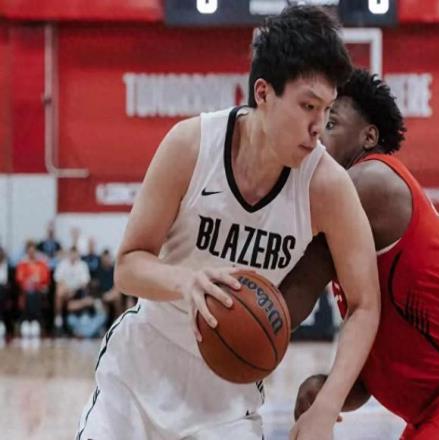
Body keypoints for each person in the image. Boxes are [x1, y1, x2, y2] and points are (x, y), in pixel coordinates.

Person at [77, 7, 381, 440]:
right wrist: (186, 281)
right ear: (263, 92)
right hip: (140, 371)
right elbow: (127, 266)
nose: (318, 127)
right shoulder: (191, 145)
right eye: (307, 106)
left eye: (327, 110)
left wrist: (327, 406)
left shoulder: (327, 186)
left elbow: (365, 304)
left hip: (228, 397)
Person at [285, 69, 439, 438]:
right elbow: (375, 373)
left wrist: (229, 327)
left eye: (331, 123)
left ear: (368, 136)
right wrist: (328, 387)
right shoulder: (355, 213)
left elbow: (297, 290)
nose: (318, 133)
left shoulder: (369, 181)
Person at [15, 240, 50, 337]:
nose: (31, 253)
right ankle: (28, 320)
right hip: (26, 290)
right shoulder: (22, 264)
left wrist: (37, 284)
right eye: (29, 251)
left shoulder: (41, 263)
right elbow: (19, 279)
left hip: (39, 290)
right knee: (30, 293)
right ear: (27, 251)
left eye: (33, 251)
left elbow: (45, 278)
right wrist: (30, 282)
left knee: (35, 293)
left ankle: (35, 321)